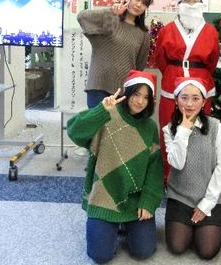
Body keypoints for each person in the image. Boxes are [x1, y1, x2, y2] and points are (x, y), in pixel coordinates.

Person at [67, 70, 164, 264]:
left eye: (146, 97)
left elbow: (155, 170)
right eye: (136, 94)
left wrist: (148, 202)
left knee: (144, 251)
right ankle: (111, 225)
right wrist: (100, 110)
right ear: (127, 92)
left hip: (135, 200)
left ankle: (124, 224)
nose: (140, 101)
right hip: (103, 197)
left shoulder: (150, 128)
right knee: (100, 256)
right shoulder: (107, 114)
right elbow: (74, 131)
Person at [155, 0, 220, 181]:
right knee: (169, 126)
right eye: (187, 1)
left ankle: (196, 174)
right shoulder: (167, 30)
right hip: (172, 83)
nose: (191, 5)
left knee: (200, 127)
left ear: (201, 4)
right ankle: (168, 175)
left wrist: (200, 74)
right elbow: (160, 59)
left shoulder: (210, 31)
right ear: (179, 4)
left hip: (201, 83)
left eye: (195, 1)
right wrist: (172, 73)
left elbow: (213, 60)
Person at [163, 77, 221, 260]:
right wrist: (183, 131)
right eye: (184, 98)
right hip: (181, 195)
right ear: (176, 100)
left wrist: (207, 203)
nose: (189, 104)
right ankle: (189, 225)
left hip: (212, 196)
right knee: (177, 246)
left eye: (195, 98)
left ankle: (202, 225)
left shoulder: (215, 126)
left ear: (204, 102)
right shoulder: (169, 129)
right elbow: (177, 163)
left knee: (207, 251)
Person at [77, 0, 153, 108]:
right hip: (98, 87)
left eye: (144, 3)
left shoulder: (143, 34)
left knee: (117, 121)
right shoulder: (110, 19)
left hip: (123, 91)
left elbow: (139, 66)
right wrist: (111, 12)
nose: (139, 5)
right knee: (96, 120)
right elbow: (82, 17)